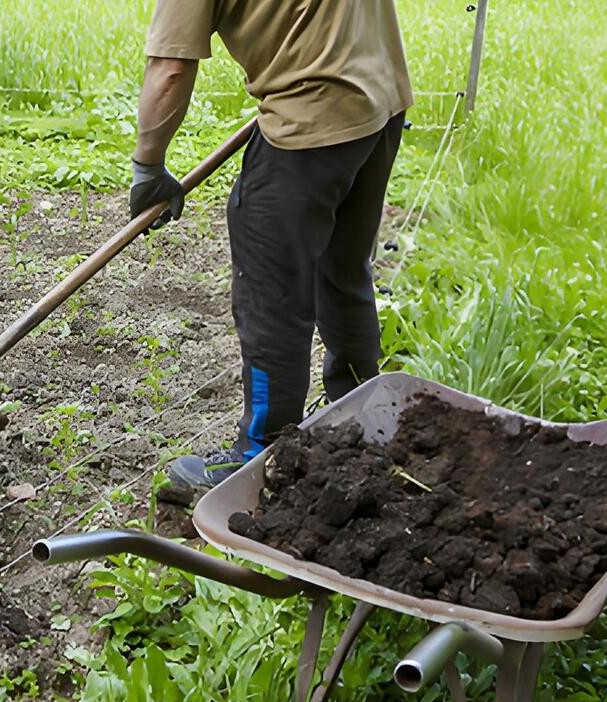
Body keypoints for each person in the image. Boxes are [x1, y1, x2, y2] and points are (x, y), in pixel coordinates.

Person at [129, 0, 413, 490]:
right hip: (379, 101)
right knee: (343, 270)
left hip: (308, 125)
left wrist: (147, 167)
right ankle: (365, 421)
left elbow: (170, 70)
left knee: (271, 297)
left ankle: (259, 454)